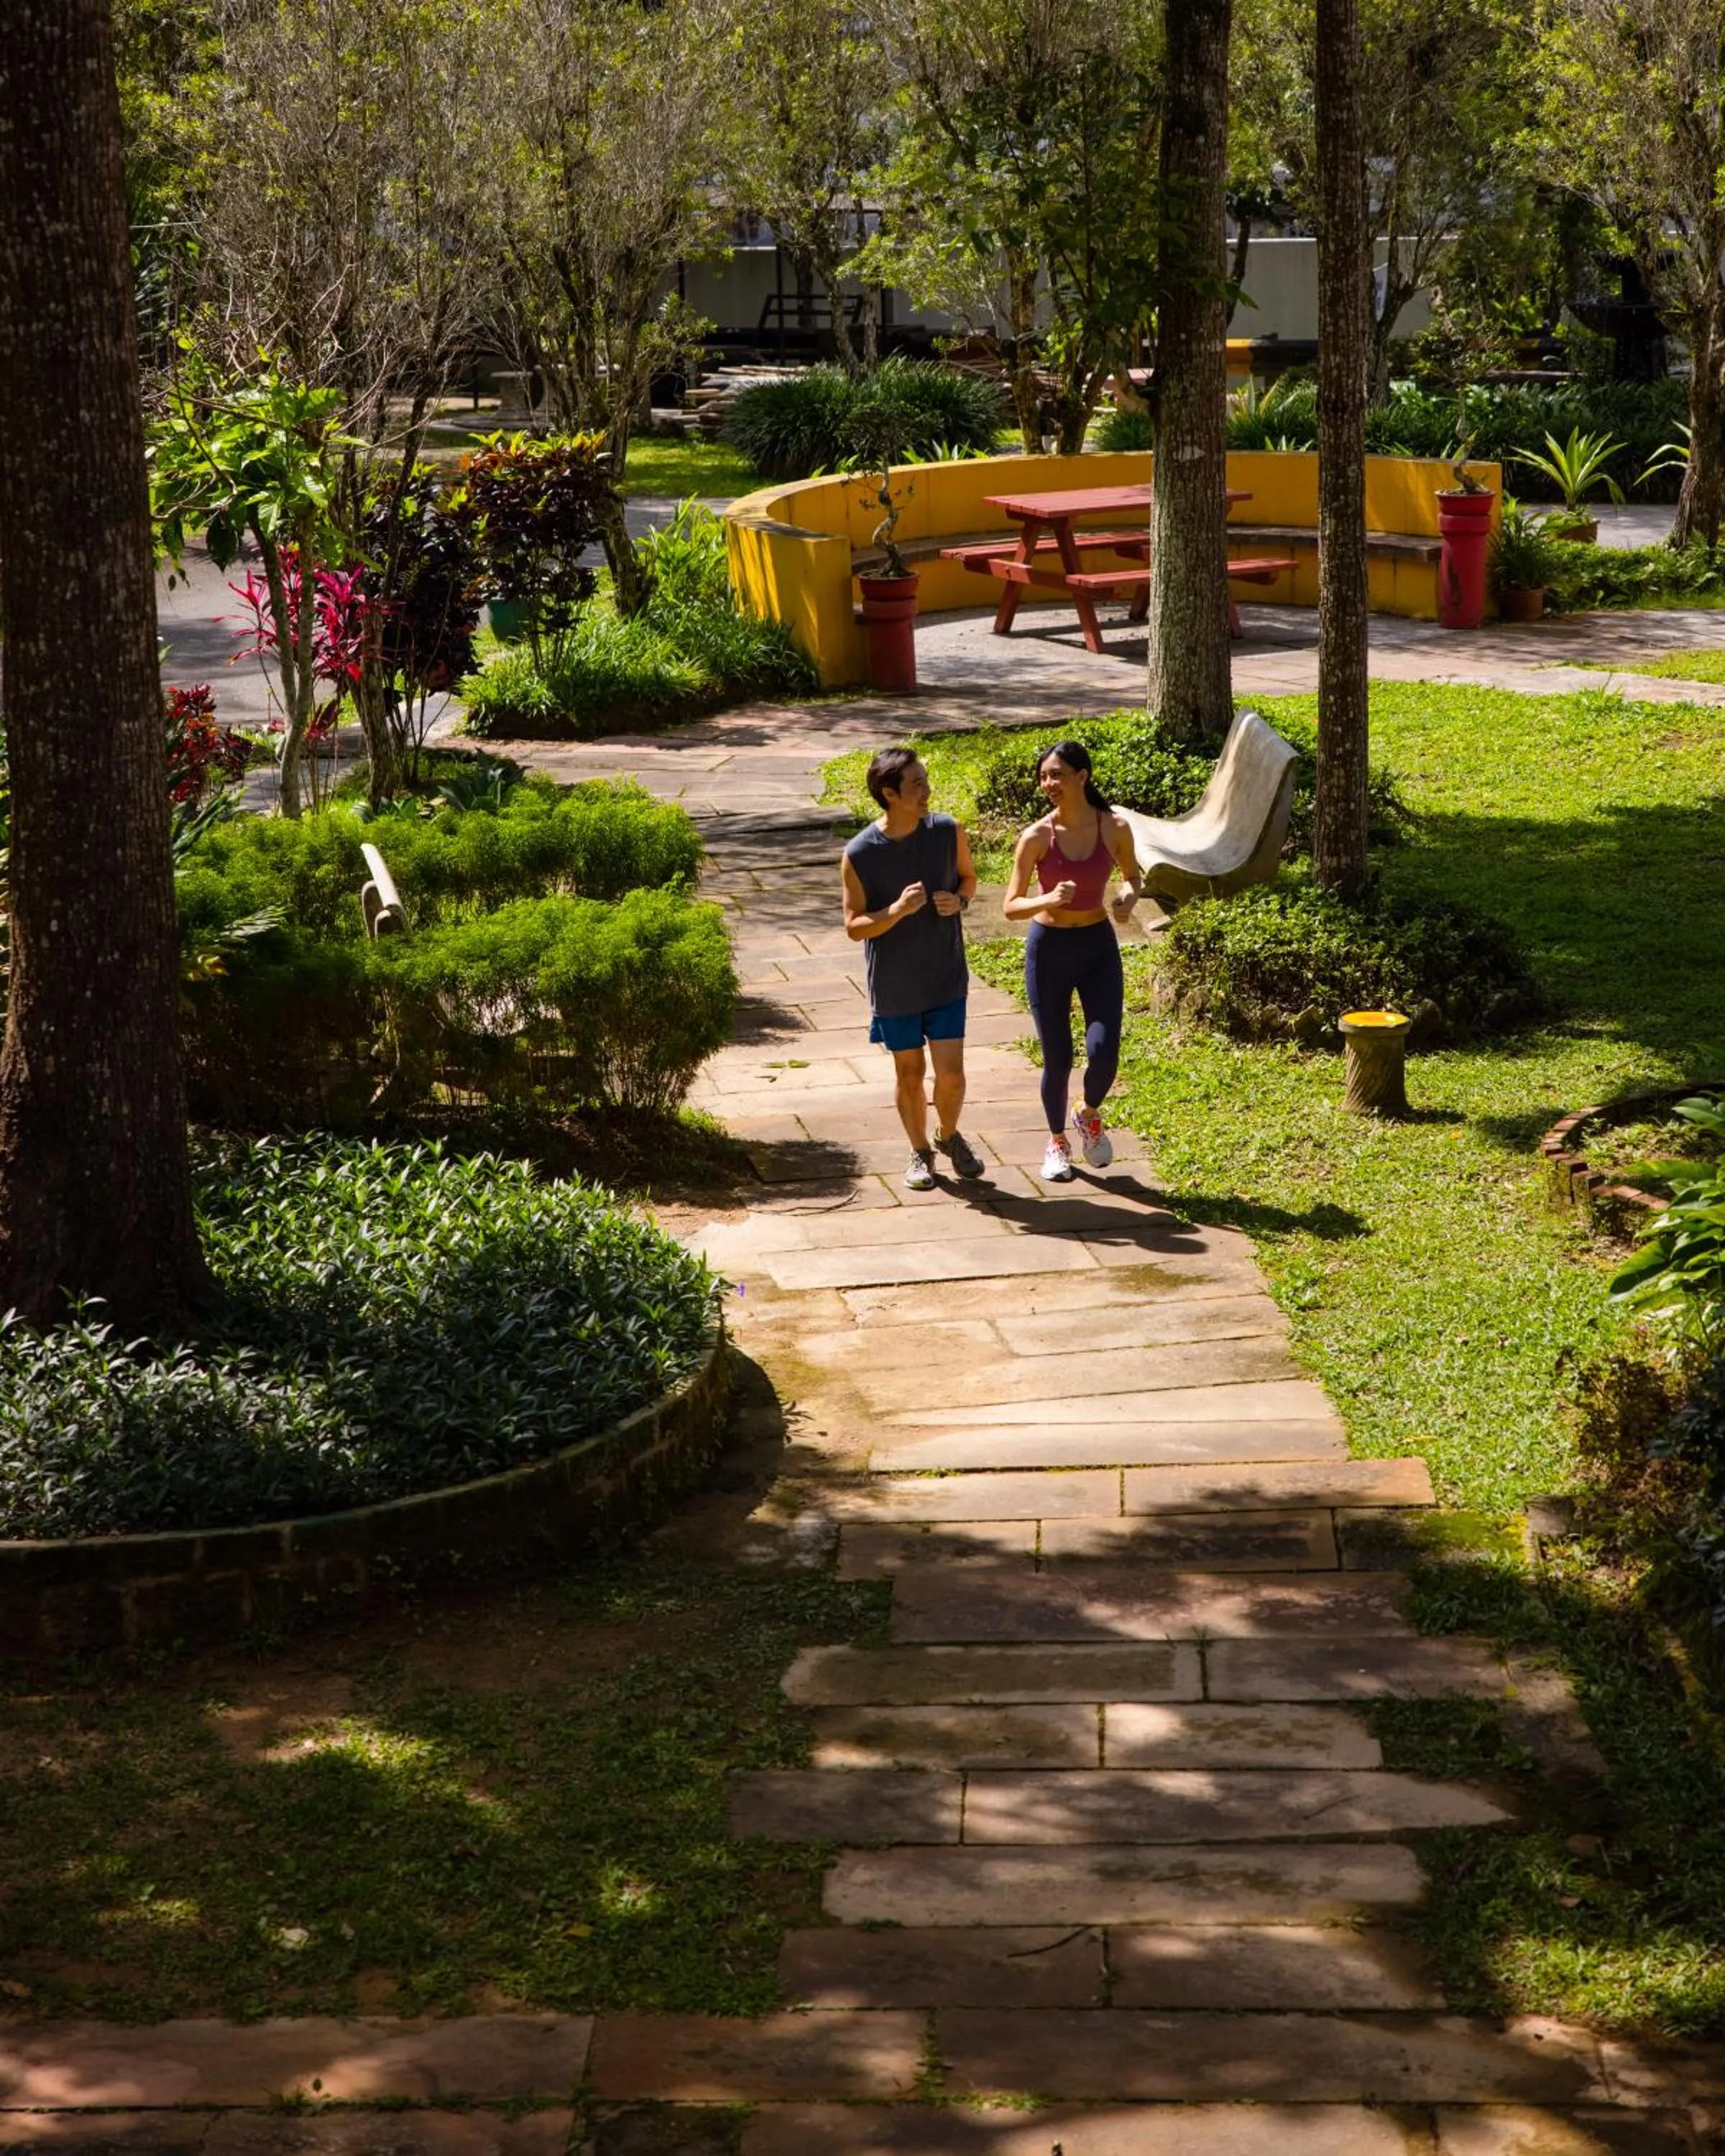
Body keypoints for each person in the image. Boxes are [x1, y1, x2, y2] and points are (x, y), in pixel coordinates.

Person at [841, 747, 983, 1190]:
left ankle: (948, 1135)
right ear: (890, 793)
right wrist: (898, 911)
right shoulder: (859, 853)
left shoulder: (947, 830)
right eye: (916, 783)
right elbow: (855, 927)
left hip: (945, 976)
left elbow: (970, 880)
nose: (927, 790)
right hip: (895, 985)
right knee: (909, 1074)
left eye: (925, 779)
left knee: (953, 1076)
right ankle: (920, 1151)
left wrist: (958, 900)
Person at [1002, 739, 1141, 1182]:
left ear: (1082, 777)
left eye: (1056, 775)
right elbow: (1010, 905)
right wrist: (1046, 897)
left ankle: (1088, 1112)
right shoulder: (1037, 837)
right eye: (1044, 776)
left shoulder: (1114, 828)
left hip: (1097, 948)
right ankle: (1057, 1141)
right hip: (1050, 949)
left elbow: (1133, 877)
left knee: (1104, 1051)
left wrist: (1127, 897)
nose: (1048, 784)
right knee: (1058, 1057)